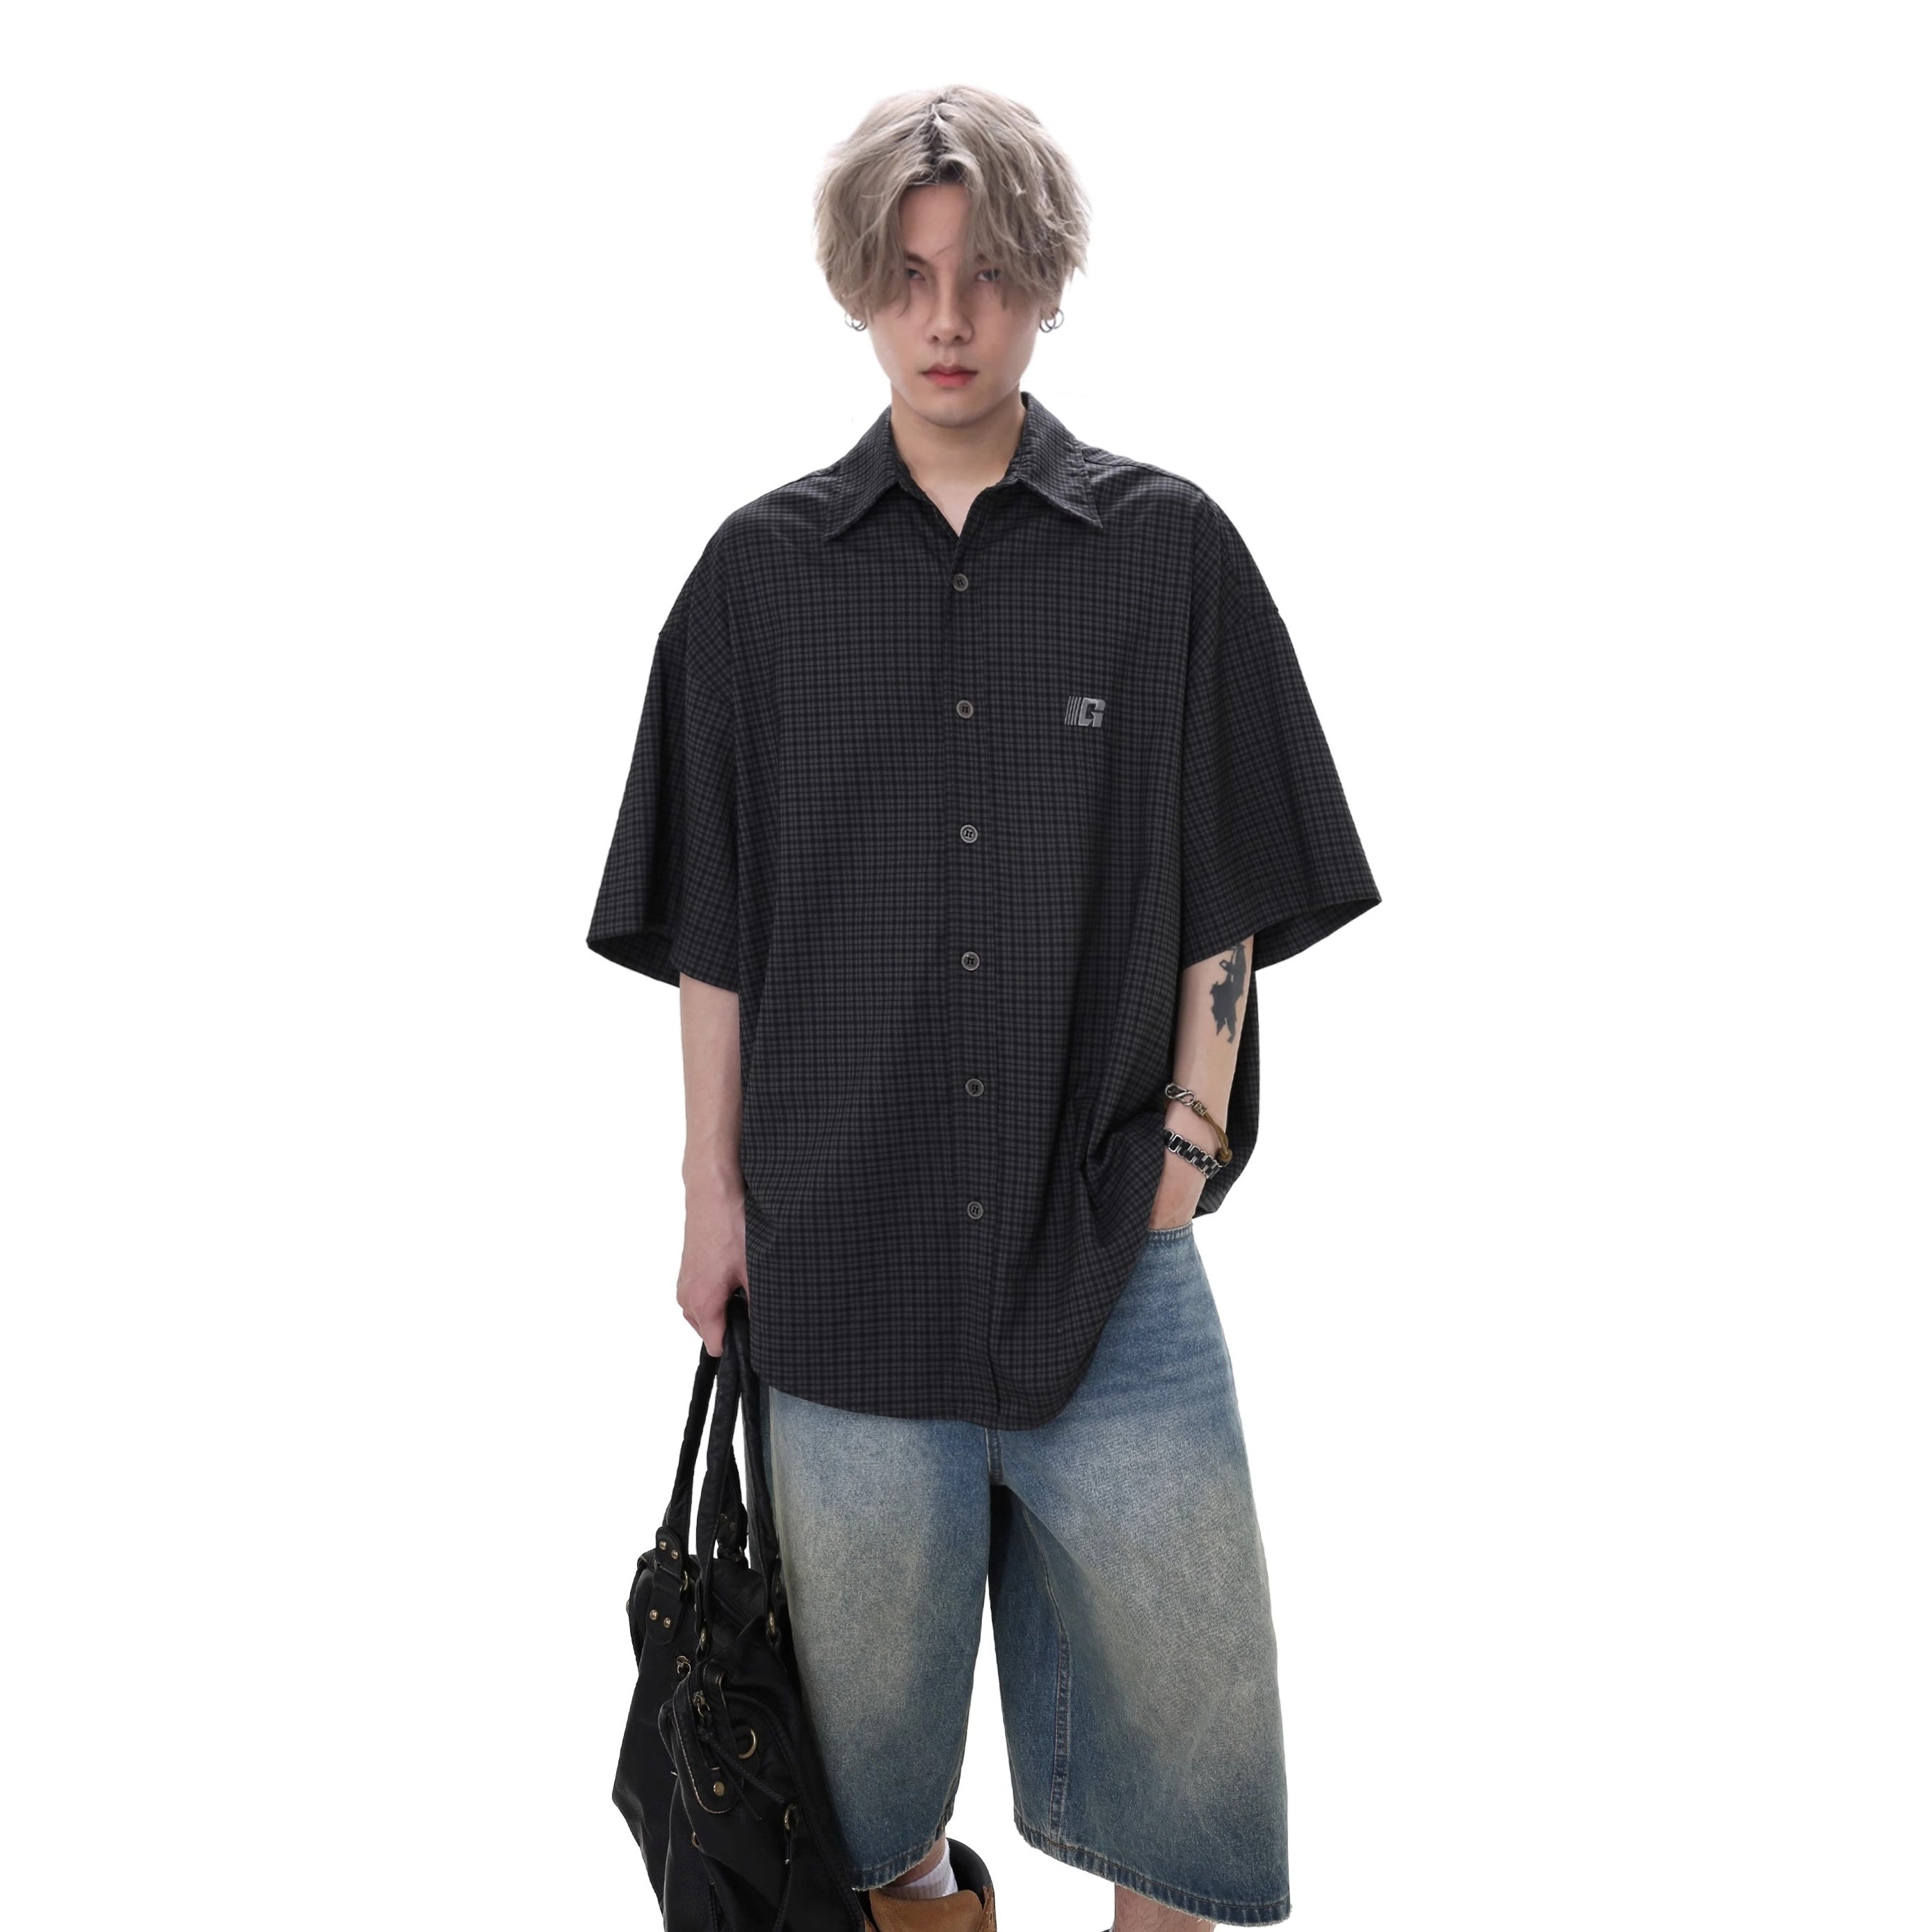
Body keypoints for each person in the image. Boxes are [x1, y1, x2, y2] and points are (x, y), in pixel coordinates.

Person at [588, 83, 1380, 1932]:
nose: (949, 320)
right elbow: (713, 925)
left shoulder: (1166, 553)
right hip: (843, 1266)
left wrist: (1188, 1139)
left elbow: (1227, 878)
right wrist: (709, 1192)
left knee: (1195, 1780)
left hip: (1111, 1253)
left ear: (1046, 287)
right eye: (911, 277)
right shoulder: (758, 582)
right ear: (860, 286)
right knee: (862, 1804)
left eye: (992, 277)